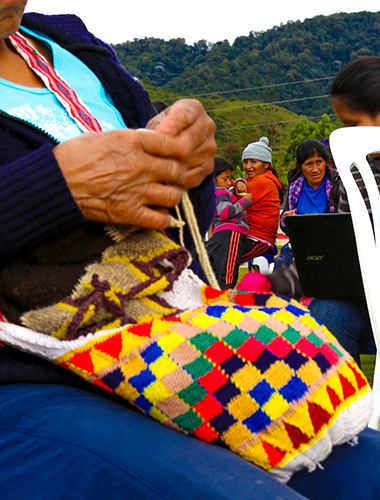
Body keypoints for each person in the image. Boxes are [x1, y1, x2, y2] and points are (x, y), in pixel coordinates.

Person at [0, 6, 379, 498]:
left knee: (367, 470)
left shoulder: (71, 48)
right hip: (30, 379)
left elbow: (179, 234)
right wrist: (55, 188)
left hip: (162, 349)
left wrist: (188, 164)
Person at [274, 139, 341, 270]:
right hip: (299, 246)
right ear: (300, 166)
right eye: (309, 164)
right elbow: (286, 227)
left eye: (319, 162)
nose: (315, 169)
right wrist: (286, 220)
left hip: (330, 247)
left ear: (326, 163)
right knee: (281, 265)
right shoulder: (294, 187)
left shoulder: (337, 185)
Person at [235, 137, 284, 263]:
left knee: (223, 258)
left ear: (266, 164)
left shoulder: (262, 182)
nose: (248, 166)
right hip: (255, 237)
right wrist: (239, 180)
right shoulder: (253, 180)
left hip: (258, 239)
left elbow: (232, 198)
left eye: (253, 162)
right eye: (245, 162)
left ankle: (224, 283)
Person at [207, 157, 252, 289]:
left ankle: (216, 299)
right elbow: (225, 212)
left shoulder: (214, 193)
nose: (228, 182)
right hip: (231, 232)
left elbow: (232, 188)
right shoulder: (221, 192)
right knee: (228, 272)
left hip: (220, 234)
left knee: (218, 271)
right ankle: (227, 297)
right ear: (214, 179)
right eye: (225, 179)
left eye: (229, 179)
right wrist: (245, 202)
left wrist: (239, 181)